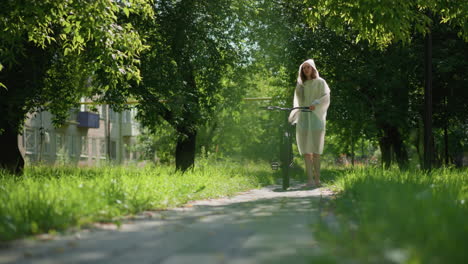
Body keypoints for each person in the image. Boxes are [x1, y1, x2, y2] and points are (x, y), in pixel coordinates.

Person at [288, 59, 330, 187]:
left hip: (316, 119)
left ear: (313, 68)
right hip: (304, 119)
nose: (306, 69)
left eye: (308, 67)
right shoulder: (300, 85)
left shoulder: (320, 82)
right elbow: (298, 103)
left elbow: (326, 97)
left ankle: (317, 180)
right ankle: (309, 180)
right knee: (306, 151)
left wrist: (315, 104)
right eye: (304, 68)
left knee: (316, 150)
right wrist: (295, 114)